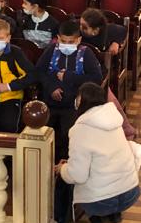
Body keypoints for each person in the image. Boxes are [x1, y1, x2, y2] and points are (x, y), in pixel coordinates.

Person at [59, 82, 141, 223]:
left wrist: (62, 168)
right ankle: (115, 214)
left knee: (73, 177)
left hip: (101, 201)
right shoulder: (114, 119)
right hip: (130, 192)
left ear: (81, 101)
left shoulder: (80, 130)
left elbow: (77, 175)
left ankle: (96, 221)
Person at [37, 21, 104, 159]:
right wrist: (51, 87)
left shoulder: (86, 53)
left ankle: (66, 163)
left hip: (74, 105)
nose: (66, 45)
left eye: (71, 42)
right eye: (63, 41)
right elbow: (39, 72)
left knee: (68, 135)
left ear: (78, 40)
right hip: (50, 103)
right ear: (58, 38)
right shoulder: (51, 50)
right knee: (45, 133)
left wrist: (69, 77)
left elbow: (96, 78)